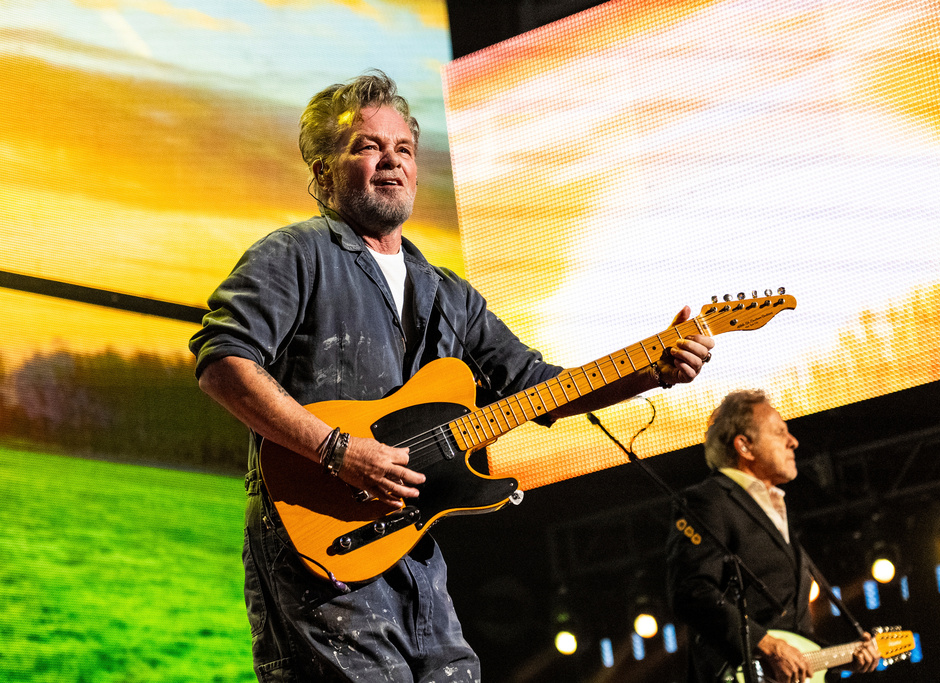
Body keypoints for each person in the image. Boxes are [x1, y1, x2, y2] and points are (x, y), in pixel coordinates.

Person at [189, 70, 715, 682]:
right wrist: (338, 450)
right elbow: (222, 362)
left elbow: (535, 385)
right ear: (324, 171)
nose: (392, 162)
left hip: (414, 555)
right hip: (317, 551)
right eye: (367, 146)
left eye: (404, 149)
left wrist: (651, 370)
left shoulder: (449, 295)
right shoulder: (295, 254)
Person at [666, 390, 880, 682]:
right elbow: (691, 592)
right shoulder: (709, 500)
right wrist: (764, 644)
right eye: (780, 432)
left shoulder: (776, 509)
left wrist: (846, 658)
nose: (793, 442)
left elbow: (792, 632)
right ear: (745, 446)